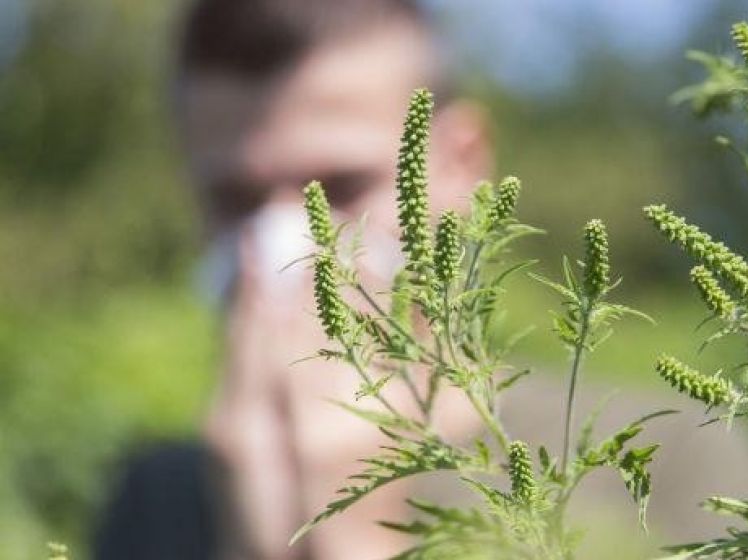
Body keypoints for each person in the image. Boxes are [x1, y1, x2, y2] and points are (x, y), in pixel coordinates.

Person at [97, 1, 490, 559]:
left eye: (341, 187)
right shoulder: (155, 499)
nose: (290, 244)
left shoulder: (616, 467)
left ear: (459, 165)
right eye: (238, 200)